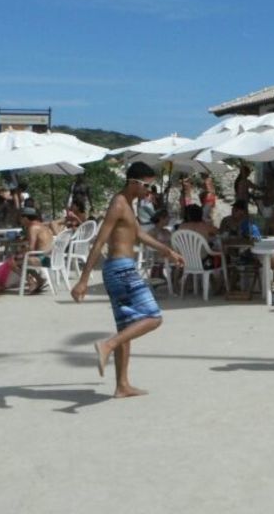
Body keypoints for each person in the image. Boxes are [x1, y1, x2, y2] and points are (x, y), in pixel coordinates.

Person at [71, 162, 185, 399]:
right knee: (153, 318)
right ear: (133, 182)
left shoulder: (128, 205)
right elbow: (99, 241)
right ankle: (107, 345)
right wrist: (83, 280)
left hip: (119, 269)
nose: (149, 191)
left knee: (126, 327)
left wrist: (167, 251)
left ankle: (122, 385)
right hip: (121, 269)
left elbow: (139, 235)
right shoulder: (119, 203)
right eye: (147, 185)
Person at [15, 208, 53, 294]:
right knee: (21, 259)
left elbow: (31, 248)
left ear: (25, 218)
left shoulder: (32, 227)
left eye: (21, 218)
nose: (20, 221)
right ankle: (40, 280)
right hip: (51, 258)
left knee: (13, 262)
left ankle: (31, 282)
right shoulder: (42, 226)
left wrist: (20, 253)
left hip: (43, 259)